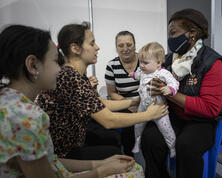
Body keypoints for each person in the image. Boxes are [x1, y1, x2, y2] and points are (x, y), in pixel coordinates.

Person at [0, 24, 139, 178]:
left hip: (65, 156)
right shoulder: (24, 116)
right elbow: (107, 118)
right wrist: (100, 171)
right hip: (68, 150)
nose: (59, 69)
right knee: (135, 170)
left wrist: (100, 164)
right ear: (33, 65)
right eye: (55, 61)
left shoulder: (10, 102)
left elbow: (52, 162)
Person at [36, 22, 168, 161]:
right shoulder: (70, 77)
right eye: (92, 43)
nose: (97, 47)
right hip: (62, 153)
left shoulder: (75, 75)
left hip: (70, 144)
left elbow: (98, 102)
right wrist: (148, 114)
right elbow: (108, 120)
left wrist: (136, 101)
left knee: (114, 142)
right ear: (75, 48)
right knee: (115, 152)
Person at [140, 9, 222, 178]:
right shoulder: (171, 59)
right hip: (177, 116)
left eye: (174, 32)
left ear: (191, 34)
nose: (170, 38)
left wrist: (169, 93)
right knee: (151, 138)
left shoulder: (212, 63)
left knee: (186, 146)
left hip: (204, 121)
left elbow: (210, 109)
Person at [129, 42, 179, 157]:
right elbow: (138, 75)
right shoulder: (142, 71)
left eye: (145, 63)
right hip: (143, 106)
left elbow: (174, 82)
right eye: (140, 62)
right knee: (137, 125)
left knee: (166, 129)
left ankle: (172, 147)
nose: (141, 65)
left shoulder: (162, 73)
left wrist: (169, 88)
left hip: (158, 108)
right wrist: (132, 75)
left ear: (158, 63)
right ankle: (137, 141)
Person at [104, 31, 139, 156]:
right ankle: (130, 157)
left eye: (129, 45)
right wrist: (129, 104)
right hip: (123, 101)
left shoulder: (144, 60)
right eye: (121, 45)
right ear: (116, 47)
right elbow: (112, 93)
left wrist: (140, 103)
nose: (125, 49)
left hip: (145, 100)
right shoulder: (111, 66)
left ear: (135, 45)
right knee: (127, 125)